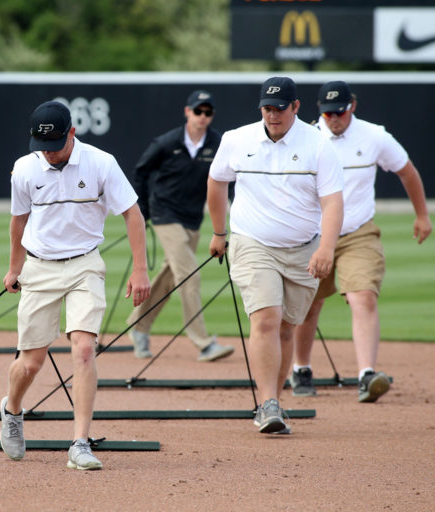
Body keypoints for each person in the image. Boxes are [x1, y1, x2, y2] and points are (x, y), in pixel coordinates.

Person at [0, 100, 151, 470]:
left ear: (72, 133)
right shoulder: (25, 169)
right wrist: (14, 268)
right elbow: (18, 222)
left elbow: (133, 214)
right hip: (39, 266)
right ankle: (12, 409)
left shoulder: (101, 163)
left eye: (55, 146)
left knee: (84, 349)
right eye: (42, 148)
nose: (48, 155)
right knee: (31, 363)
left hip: (85, 264)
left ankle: (80, 442)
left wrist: (141, 270)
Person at [207, 77, 344, 434]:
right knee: (266, 318)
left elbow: (332, 201)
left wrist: (326, 247)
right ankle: (267, 403)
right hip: (253, 242)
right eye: (267, 108)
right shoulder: (236, 139)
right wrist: (219, 232)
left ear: (296, 107)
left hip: (303, 248)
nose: (273, 115)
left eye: (280, 108)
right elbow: (217, 180)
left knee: (287, 328)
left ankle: (275, 401)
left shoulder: (319, 144)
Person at [290, 81, 431, 402]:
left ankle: (367, 374)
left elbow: (406, 171)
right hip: (316, 232)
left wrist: (422, 215)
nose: (334, 118)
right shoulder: (309, 138)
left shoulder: (374, 136)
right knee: (309, 305)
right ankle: (301, 368)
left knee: (363, 295)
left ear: (352, 105)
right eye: (327, 113)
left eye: (339, 111)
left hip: (358, 230)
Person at [127, 90, 234, 361]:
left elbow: (226, 179)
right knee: (190, 275)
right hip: (165, 214)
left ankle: (138, 327)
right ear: (188, 112)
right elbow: (141, 170)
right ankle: (203, 343)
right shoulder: (167, 142)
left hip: (192, 219)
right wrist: (143, 210)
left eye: (208, 112)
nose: (203, 117)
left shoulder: (218, 142)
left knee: (170, 277)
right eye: (198, 111)